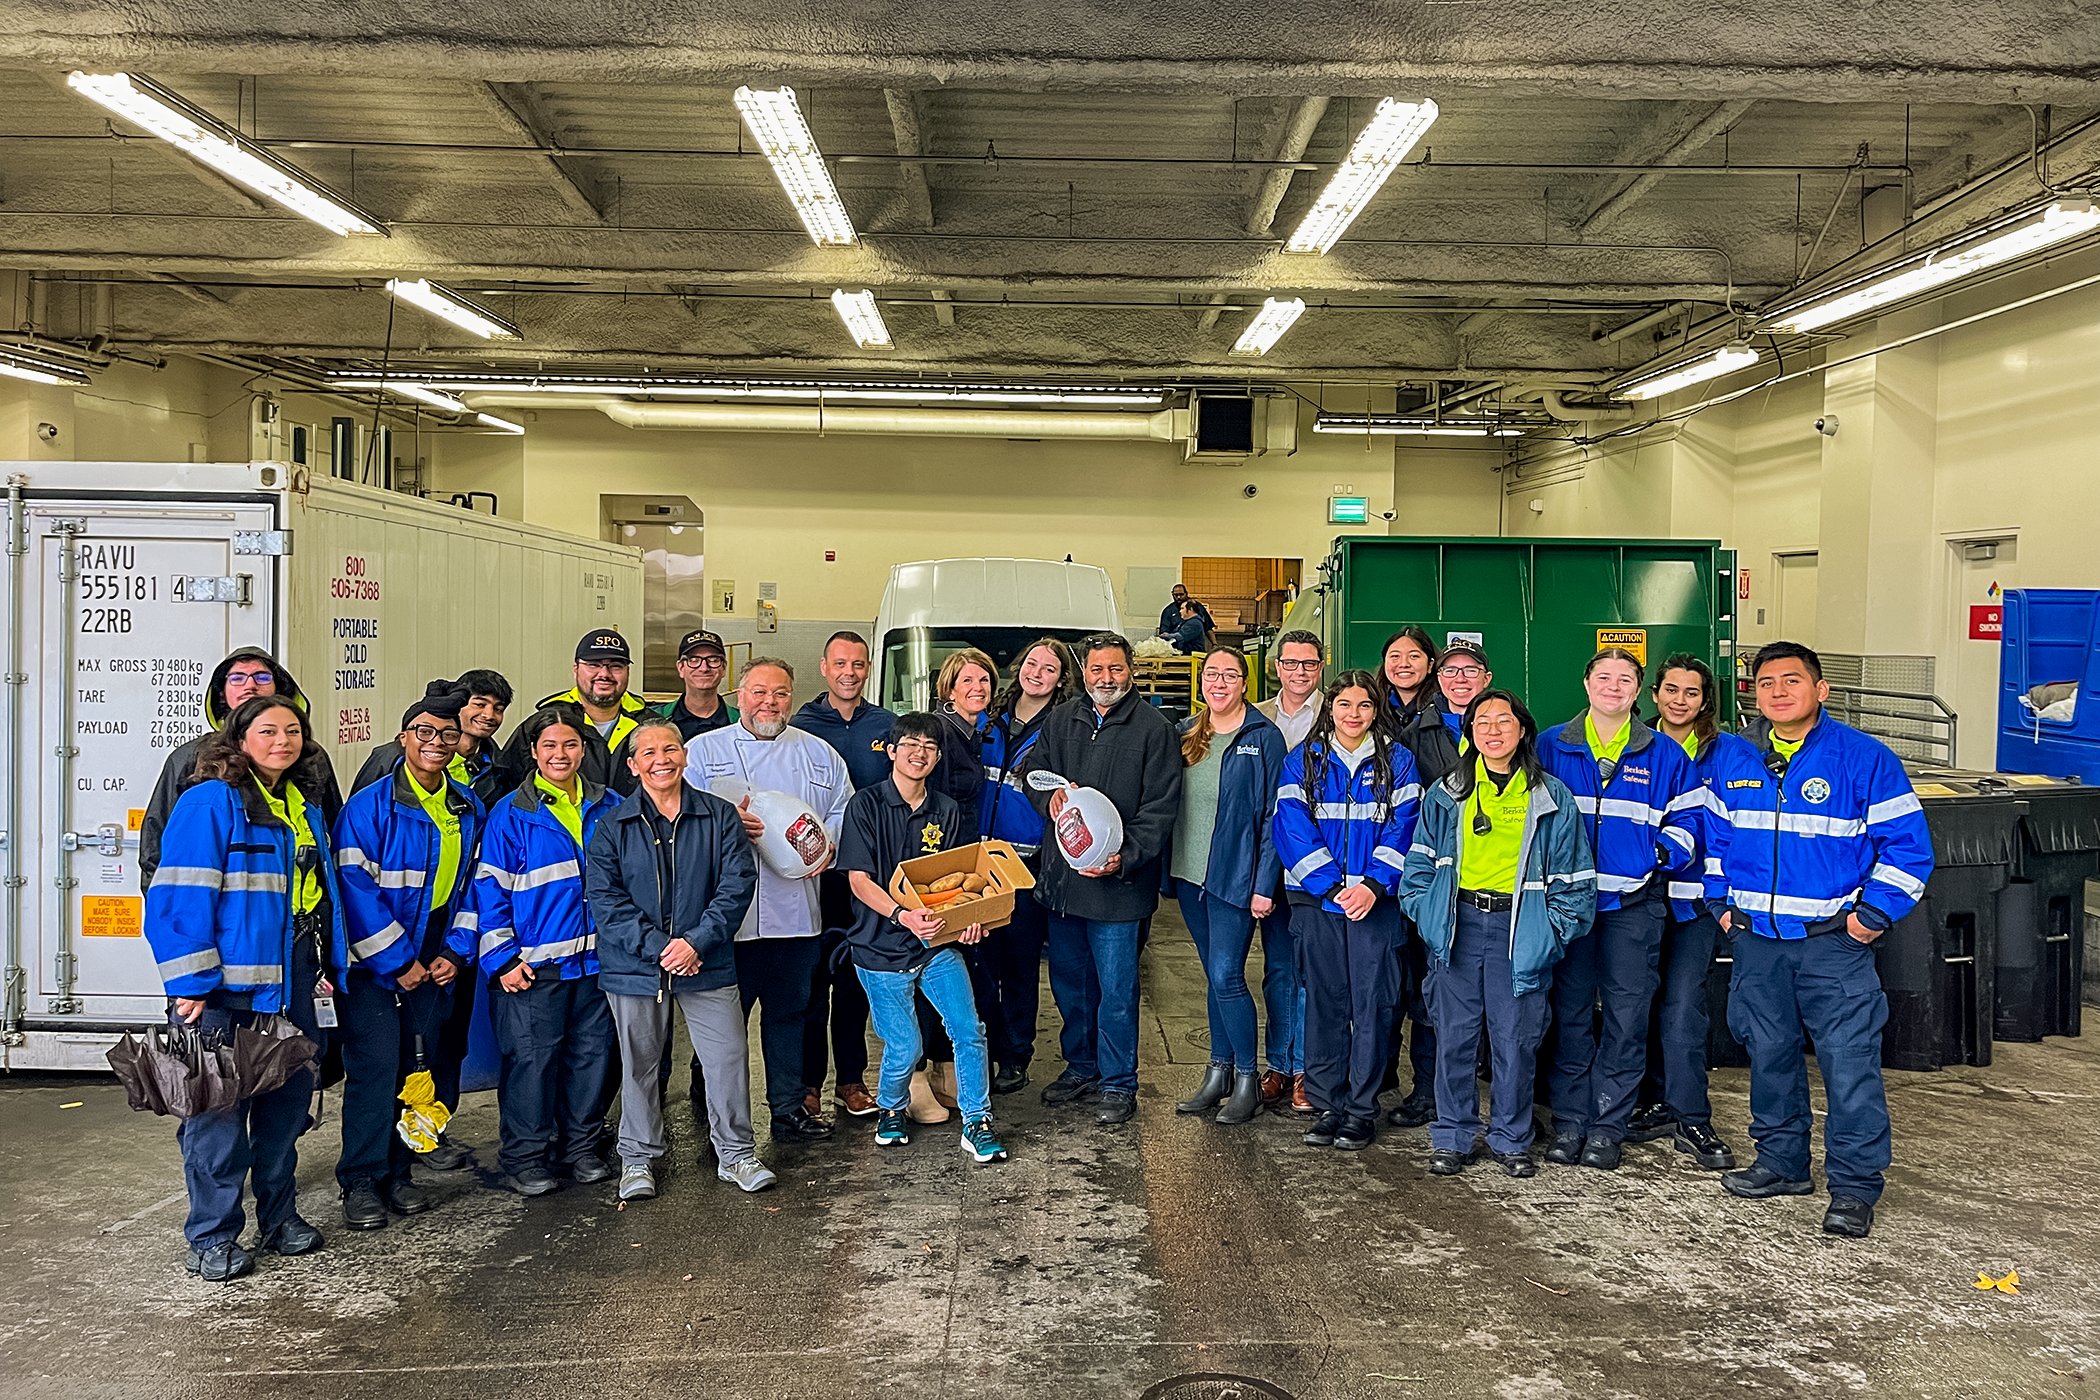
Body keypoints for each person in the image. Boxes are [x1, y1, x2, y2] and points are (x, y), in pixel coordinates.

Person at [1702, 641, 1935, 1239]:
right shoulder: (1733, 756)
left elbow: (1908, 850)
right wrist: (1722, 906)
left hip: (1834, 946)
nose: (1777, 692)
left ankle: (1855, 1187)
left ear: (1821, 690)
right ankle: (1782, 1164)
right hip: (1758, 943)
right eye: (1766, 683)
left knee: (1849, 1065)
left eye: (1792, 681)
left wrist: (1869, 919)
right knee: (1769, 1055)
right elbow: (1714, 841)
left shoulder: (1864, 759)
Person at [144, 695, 345, 1281]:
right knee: (217, 1119)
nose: (281, 740)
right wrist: (192, 984)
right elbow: (178, 897)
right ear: (237, 738)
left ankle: (280, 1217)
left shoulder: (300, 805)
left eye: (292, 730)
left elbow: (318, 896)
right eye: (267, 730)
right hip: (225, 996)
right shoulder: (210, 802)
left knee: (286, 1112)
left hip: (295, 984)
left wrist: (327, 964)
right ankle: (212, 1235)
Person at [1400, 690, 1596, 1177]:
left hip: (1521, 931)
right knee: (1454, 1038)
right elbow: (1419, 867)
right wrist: (1429, 916)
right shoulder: (1448, 793)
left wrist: (1550, 933)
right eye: (1481, 721)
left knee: (1516, 1040)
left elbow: (1576, 881)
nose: (1492, 730)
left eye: (1503, 721)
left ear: (1523, 730)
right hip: (1458, 928)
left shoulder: (1550, 797)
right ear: (1469, 733)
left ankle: (1511, 1138)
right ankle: (1452, 1136)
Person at [585, 716, 772, 1199]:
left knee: (728, 1058)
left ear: (684, 756)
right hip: (635, 968)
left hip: (706, 962)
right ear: (632, 765)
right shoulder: (611, 827)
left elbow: (735, 886)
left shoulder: (719, 815)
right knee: (639, 1065)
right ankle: (638, 1160)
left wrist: (695, 943)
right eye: (648, 753)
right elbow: (606, 902)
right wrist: (661, 949)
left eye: (669, 750)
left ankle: (736, 1155)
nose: (660, 760)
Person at [1538, 648, 1705, 1171]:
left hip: (1633, 907)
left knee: (1627, 1019)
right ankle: (1569, 1121)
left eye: (1625, 679)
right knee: (1569, 1017)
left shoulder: (1664, 754)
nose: (1614, 686)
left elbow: (1692, 821)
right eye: (1604, 677)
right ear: (1586, 684)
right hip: (1567, 908)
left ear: (1638, 693)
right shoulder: (1549, 745)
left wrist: (1654, 855)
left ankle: (1609, 1125)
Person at [330, 681, 486, 1229]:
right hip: (377, 962)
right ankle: (362, 1180)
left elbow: (476, 886)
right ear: (403, 738)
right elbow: (355, 888)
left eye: (447, 733)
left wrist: (455, 951)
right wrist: (398, 961)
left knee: (421, 1068)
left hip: (436, 954)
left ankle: (400, 1173)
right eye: (425, 731)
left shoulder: (467, 806)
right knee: (376, 1069)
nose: (436, 741)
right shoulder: (368, 809)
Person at [685, 658, 852, 1143]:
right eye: (758, 692)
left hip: (798, 914)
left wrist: (829, 844)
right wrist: (725, 827)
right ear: (739, 695)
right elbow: (679, 816)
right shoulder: (701, 751)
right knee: (723, 1020)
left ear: (792, 698)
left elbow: (842, 811)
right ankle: (712, 1104)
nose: (769, 703)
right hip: (727, 921)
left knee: (789, 1017)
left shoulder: (820, 755)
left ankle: (788, 1111)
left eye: (780, 694)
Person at [457, 707, 619, 1196]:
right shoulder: (511, 813)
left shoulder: (609, 805)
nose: (560, 754)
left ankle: (580, 1147)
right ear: (533, 752)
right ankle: (526, 1155)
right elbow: (488, 890)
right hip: (533, 966)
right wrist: (502, 959)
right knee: (531, 1062)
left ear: (583, 750)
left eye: (570, 745)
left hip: (597, 963)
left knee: (590, 1058)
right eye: (549, 746)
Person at [1025, 634, 1183, 1126]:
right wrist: (1045, 800)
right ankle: (1082, 1066)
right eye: (1097, 670)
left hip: (1119, 888)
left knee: (1116, 990)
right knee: (1070, 985)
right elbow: (1035, 769)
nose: (1106, 679)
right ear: (1085, 672)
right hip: (1067, 885)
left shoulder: (1154, 729)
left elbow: (1161, 808)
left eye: (1115, 669)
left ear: (1129, 671)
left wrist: (1125, 857)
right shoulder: (1063, 718)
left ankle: (1119, 1082)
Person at [836, 712, 1008, 1163]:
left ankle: (977, 1120)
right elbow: (858, 880)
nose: (920, 754)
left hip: (936, 947)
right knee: (906, 1045)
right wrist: (902, 914)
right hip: (878, 947)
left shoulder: (946, 811)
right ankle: (891, 1108)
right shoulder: (866, 806)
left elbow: (958, 881)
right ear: (891, 752)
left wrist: (970, 921)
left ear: (937, 758)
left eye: (929, 748)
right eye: (910, 745)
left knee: (969, 1031)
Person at [1270, 670, 1422, 1151]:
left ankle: (1360, 1110)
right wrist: (1333, 887)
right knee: (1326, 1003)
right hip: (1320, 902)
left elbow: (1406, 827)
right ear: (1329, 710)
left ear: (1376, 710)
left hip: (1376, 902)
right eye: (1344, 705)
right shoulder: (1303, 761)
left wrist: (1374, 885)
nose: (1353, 715)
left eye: (1364, 706)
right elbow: (1291, 831)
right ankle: (1328, 1103)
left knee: (1373, 1005)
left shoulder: (1399, 761)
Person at [1625, 654, 1755, 1171]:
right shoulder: (1633, 746)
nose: (1680, 700)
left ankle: (1690, 1115)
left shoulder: (1731, 755)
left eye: (1692, 692)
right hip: (1635, 900)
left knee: (1682, 1007)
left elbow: (1742, 826)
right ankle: (1650, 1101)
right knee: (1636, 1005)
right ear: (1654, 695)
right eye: (1671, 690)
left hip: (1695, 903)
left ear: (1706, 700)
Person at [1169, 649, 1286, 1126]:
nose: (1219, 682)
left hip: (1234, 878)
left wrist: (1263, 885)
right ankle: (1217, 1074)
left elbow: (1274, 819)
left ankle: (1246, 1081)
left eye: (1230, 675)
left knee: (1226, 977)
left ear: (1244, 682)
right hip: (1188, 874)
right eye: (1211, 673)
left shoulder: (1264, 737)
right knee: (1213, 980)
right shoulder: (1187, 733)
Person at [792, 631, 896, 1121]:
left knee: (857, 980)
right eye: (840, 663)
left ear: (868, 668)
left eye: (858, 664)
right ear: (824, 666)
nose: (849, 672)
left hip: (870, 876)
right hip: (816, 875)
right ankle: (809, 1084)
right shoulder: (802, 726)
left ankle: (851, 1082)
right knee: (813, 983)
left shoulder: (886, 725)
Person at [139, 647, 342, 893]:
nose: (250, 685)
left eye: (262, 677)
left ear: (280, 687)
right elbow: (156, 844)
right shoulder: (189, 759)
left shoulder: (309, 756)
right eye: (237, 678)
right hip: (233, 921)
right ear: (222, 693)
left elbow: (333, 831)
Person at [973, 637, 1076, 1095]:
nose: (1037, 672)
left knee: (1018, 967)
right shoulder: (987, 715)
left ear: (1061, 679)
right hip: (977, 863)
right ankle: (982, 1051)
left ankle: (1016, 1055)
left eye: (1049, 668)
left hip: (1026, 864)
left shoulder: (1064, 726)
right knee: (978, 963)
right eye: (1032, 663)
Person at [1372, 626, 1447, 1130]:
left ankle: (1427, 1088)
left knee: (1426, 986)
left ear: (1430, 663)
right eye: (1394, 656)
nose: (1403, 663)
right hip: (1374, 869)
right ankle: (1378, 1074)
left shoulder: (1446, 719)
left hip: (1427, 873)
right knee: (1383, 981)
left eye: (1414, 656)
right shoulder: (1370, 711)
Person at [1254, 630, 1325, 1111]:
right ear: (1277, 666)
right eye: (1291, 663)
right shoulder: (1255, 716)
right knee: (1278, 968)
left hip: (1320, 864)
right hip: (1267, 860)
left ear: (1321, 667)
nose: (1300, 671)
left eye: (1309, 663)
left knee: (1313, 974)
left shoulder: (1338, 712)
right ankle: (1278, 1064)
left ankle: (1308, 1070)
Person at [518, 630, 657, 794]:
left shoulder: (652, 726)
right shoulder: (545, 723)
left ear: (628, 671)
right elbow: (508, 782)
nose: (604, 674)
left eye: (616, 666)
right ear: (575, 669)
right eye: (593, 665)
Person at [353, 669, 515, 805]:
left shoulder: (500, 768)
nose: (489, 715)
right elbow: (358, 813)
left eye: (498, 709)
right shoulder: (392, 756)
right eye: (479, 705)